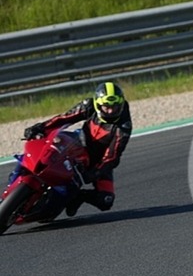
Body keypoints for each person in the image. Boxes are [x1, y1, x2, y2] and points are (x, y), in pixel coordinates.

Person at [20, 81, 133, 216]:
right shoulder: (89, 105)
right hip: (79, 143)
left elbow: (113, 155)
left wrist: (96, 172)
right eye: (106, 107)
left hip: (99, 161)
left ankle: (78, 197)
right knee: (45, 150)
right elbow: (64, 118)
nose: (110, 111)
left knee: (106, 200)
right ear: (98, 105)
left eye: (114, 107)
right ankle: (20, 172)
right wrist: (40, 127)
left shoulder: (123, 126)